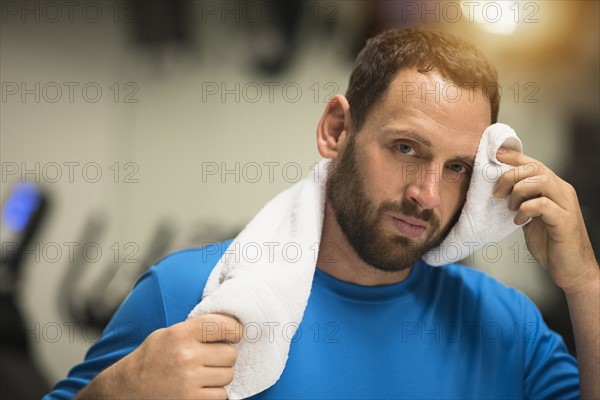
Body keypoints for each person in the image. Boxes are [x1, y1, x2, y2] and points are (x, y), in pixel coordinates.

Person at [45, 28, 599, 400]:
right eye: (406, 148)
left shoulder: (507, 326)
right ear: (337, 130)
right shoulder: (189, 294)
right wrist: (111, 394)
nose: (427, 195)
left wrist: (585, 284)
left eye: (457, 168)